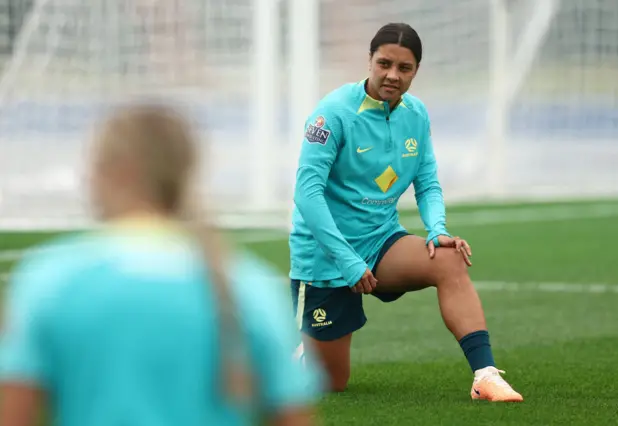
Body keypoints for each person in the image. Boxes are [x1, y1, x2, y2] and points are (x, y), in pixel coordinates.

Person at [0, 104, 323, 426]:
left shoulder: (53, 278)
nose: (87, 178)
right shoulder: (247, 285)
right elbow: (292, 415)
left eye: (93, 165)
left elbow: (14, 411)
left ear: (121, 170)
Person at [289, 22, 523, 402]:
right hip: (326, 256)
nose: (392, 75)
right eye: (384, 64)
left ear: (416, 71)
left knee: (448, 259)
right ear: (369, 60)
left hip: (381, 242)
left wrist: (437, 229)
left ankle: (485, 376)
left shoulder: (416, 114)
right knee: (332, 382)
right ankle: (281, 359)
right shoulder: (331, 113)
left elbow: (427, 182)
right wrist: (347, 260)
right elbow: (307, 194)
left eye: (404, 68)